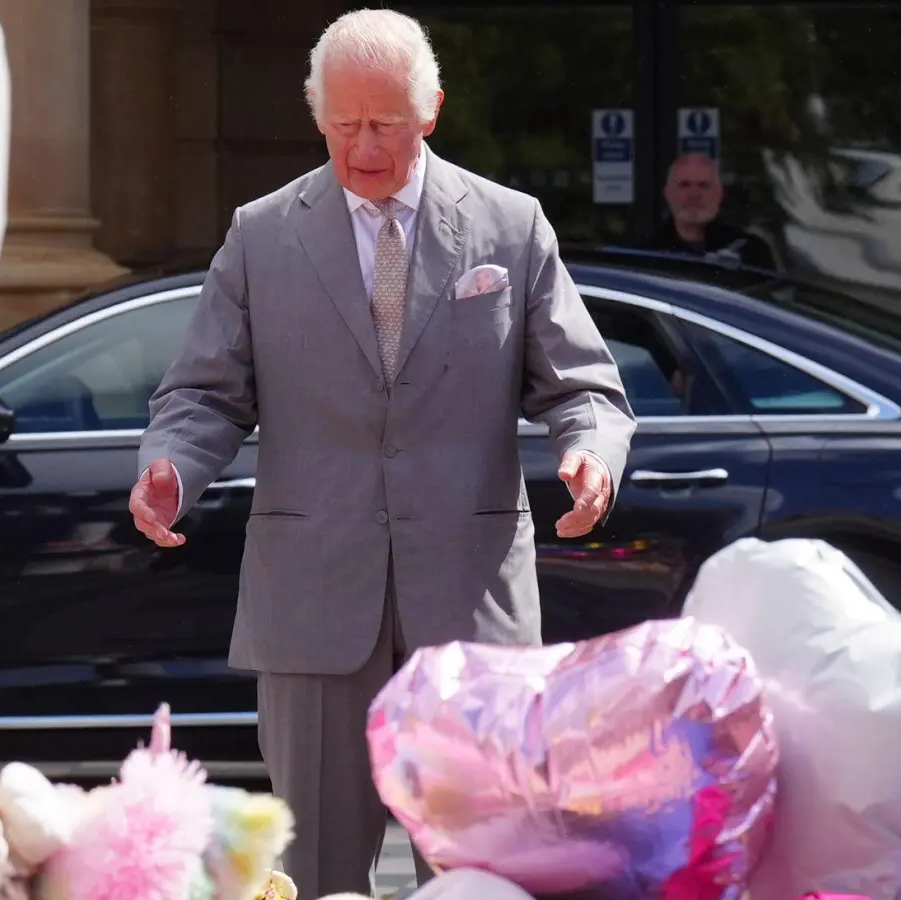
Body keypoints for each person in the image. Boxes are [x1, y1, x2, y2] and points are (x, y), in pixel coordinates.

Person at [126, 8, 635, 897]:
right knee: (314, 876)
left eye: (386, 123)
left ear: (430, 109)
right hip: (313, 600)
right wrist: (171, 467)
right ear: (316, 115)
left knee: (481, 873)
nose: (364, 146)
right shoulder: (261, 233)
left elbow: (584, 386)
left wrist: (590, 452)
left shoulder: (510, 228)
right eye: (344, 123)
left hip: (469, 609)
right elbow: (204, 392)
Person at [646, 152, 778, 271]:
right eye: (684, 185)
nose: (694, 195)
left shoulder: (750, 252)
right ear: (668, 194)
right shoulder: (646, 256)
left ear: (719, 194)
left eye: (704, 186)